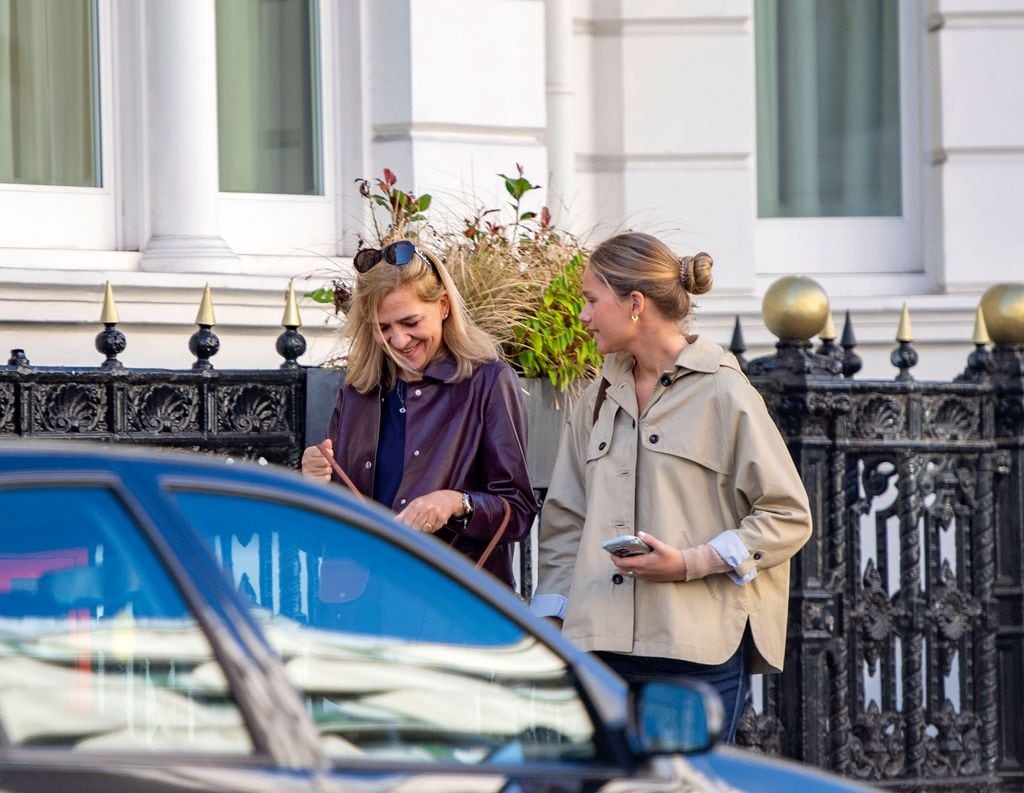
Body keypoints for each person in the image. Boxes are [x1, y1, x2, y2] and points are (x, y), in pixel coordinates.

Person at [529, 232, 812, 742]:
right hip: (600, 646)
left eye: (592, 300)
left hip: (693, 650)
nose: (584, 315)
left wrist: (690, 563)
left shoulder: (724, 392)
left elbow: (787, 514)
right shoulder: (596, 396)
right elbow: (564, 519)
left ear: (634, 303)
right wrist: (550, 619)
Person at [301, 239, 538, 588]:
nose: (399, 340)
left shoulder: (487, 382)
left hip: (448, 605)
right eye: (383, 328)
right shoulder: (357, 392)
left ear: (443, 305)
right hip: (357, 610)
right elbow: (325, 529)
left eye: (410, 321)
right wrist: (315, 482)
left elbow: (517, 512)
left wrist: (456, 503)